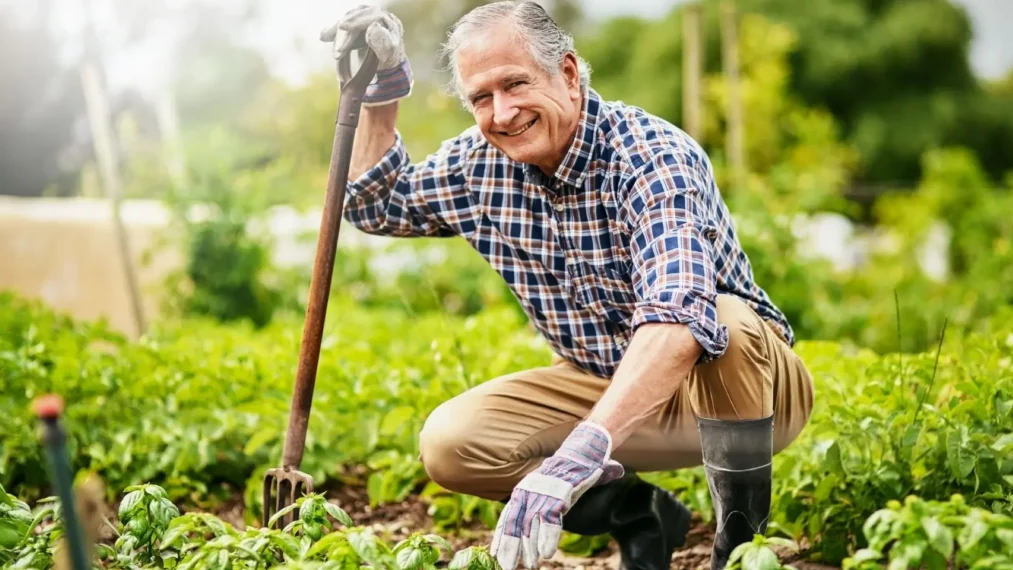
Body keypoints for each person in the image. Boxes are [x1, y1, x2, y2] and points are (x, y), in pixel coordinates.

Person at [319, 3, 814, 570]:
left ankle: (739, 548)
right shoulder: (480, 165)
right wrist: (383, 86)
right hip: (603, 384)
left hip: (745, 391)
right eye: (482, 98)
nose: (502, 113)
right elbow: (379, 204)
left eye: (515, 84)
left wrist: (578, 452)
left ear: (570, 75)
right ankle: (639, 513)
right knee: (451, 443)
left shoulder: (652, 158)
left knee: (722, 321)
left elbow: (680, 318)